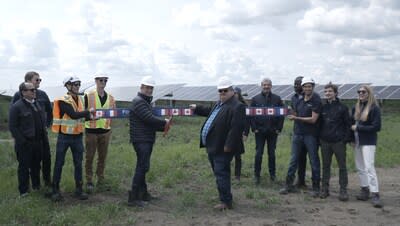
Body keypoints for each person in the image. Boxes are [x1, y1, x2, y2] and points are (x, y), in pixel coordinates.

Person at [191, 77, 246, 210]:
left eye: (225, 90)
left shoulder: (237, 106)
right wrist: (197, 108)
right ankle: (224, 197)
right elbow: (210, 113)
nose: (222, 93)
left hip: (223, 148)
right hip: (213, 146)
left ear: (232, 91)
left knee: (222, 174)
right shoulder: (220, 103)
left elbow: (236, 129)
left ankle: (226, 202)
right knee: (219, 173)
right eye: (220, 91)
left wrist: (228, 146)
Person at [128, 76, 171, 207]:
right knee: (141, 167)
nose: (149, 90)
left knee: (143, 167)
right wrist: (165, 123)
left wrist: (162, 126)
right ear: (141, 87)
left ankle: (143, 194)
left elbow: (147, 122)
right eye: (147, 87)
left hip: (144, 138)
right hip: (141, 140)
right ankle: (133, 198)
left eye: (151, 88)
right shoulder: (139, 101)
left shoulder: (143, 101)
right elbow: (149, 119)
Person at [51, 76, 94, 201]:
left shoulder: (80, 99)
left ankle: (79, 190)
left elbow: (80, 117)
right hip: (64, 137)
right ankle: (55, 190)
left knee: (78, 164)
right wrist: (88, 112)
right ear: (68, 86)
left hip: (77, 137)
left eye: (79, 84)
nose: (77, 86)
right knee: (59, 163)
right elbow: (73, 115)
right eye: (75, 84)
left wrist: (90, 118)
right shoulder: (63, 100)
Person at [280, 77, 322, 197]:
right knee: (293, 160)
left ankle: (316, 188)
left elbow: (314, 119)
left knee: (314, 161)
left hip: (311, 135)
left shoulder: (316, 100)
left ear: (313, 87)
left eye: (309, 86)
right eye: (305, 86)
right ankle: (288, 185)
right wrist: (289, 112)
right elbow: (296, 113)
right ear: (302, 88)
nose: (307, 88)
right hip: (298, 134)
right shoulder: (299, 100)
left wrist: (296, 118)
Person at [11, 71, 52, 188]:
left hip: (40, 138)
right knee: (24, 165)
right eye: (36, 80)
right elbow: (13, 123)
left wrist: (47, 125)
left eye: (40, 80)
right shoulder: (17, 101)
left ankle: (41, 184)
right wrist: (21, 139)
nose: (38, 82)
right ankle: (24, 191)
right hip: (25, 139)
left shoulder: (40, 98)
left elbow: (49, 112)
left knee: (41, 162)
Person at [351, 85, 383, 208]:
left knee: (369, 167)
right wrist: (351, 138)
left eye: (363, 92)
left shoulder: (374, 108)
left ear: (369, 93)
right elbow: (351, 123)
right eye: (359, 92)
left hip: (369, 142)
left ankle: (375, 194)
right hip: (357, 141)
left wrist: (359, 128)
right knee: (360, 167)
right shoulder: (356, 107)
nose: (361, 93)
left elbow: (376, 127)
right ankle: (365, 190)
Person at [84, 73, 116, 193]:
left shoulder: (111, 98)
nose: (103, 82)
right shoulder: (88, 95)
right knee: (90, 157)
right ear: (96, 81)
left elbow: (114, 113)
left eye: (105, 80)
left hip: (105, 131)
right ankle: (89, 180)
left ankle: (100, 178)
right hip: (91, 131)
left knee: (102, 157)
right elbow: (82, 111)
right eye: (101, 80)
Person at [319, 82, 351, 201]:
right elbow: (319, 124)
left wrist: (344, 140)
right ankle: (325, 189)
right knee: (325, 166)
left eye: (330, 91)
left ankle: (343, 190)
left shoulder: (343, 107)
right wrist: (320, 139)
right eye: (326, 91)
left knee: (342, 166)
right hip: (325, 142)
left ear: (335, 93)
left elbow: (348, 125)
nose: (327, 93)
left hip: (338, 142)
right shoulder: (322, 107)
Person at [250, 78, 284, 184]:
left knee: (271, 154)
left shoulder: (277, 99)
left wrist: (278, 128)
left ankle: (272, 175)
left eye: (268, 85)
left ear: (271, 86)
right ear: (261, 85)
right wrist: (254, 128)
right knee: (258, 154)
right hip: (259, 131)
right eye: (264, 85)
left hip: (272, 132)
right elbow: (251, 115)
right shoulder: (255, 99)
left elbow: (281, 114)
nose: (266, 87)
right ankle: (256, 175)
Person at [291, 76, 308, 189]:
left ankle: (307, 181)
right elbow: (294, 112)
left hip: (310, 133)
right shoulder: (293, 98)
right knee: (296, 157)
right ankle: (299, 180)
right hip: (297, 131)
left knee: (308, 158)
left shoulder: (311, 97)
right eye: (295, 84)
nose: (296, 86)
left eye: (299, 84)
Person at [232, 87, 250, 181]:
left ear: (239, 94)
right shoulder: (227, 104)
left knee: (237, 155)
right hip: (228, 133)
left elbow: (247, 121)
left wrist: (246, 133)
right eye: (233, 93)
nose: (234, 94)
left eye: (236, 93)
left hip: (238, 133)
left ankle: (237, 175)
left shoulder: (243, 106)